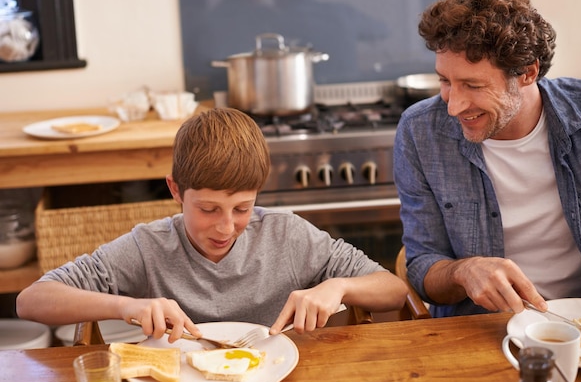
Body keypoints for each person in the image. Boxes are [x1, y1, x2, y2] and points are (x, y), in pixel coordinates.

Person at [17, 108, 407, 341]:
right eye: (208, 209)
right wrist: (127, 306)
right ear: (175, 190)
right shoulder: (148, 248)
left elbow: (392, 290)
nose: (225, 227)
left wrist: (338, 286)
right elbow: (30, 301)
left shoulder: (287, 235)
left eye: (242, 209)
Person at [393, 0, 581, 318]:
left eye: (473, 85)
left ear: (528, 73)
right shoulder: (420, 132)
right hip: (482, 330)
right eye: (445, 81)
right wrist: (462, 271)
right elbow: (422, 264)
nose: (454, 106)